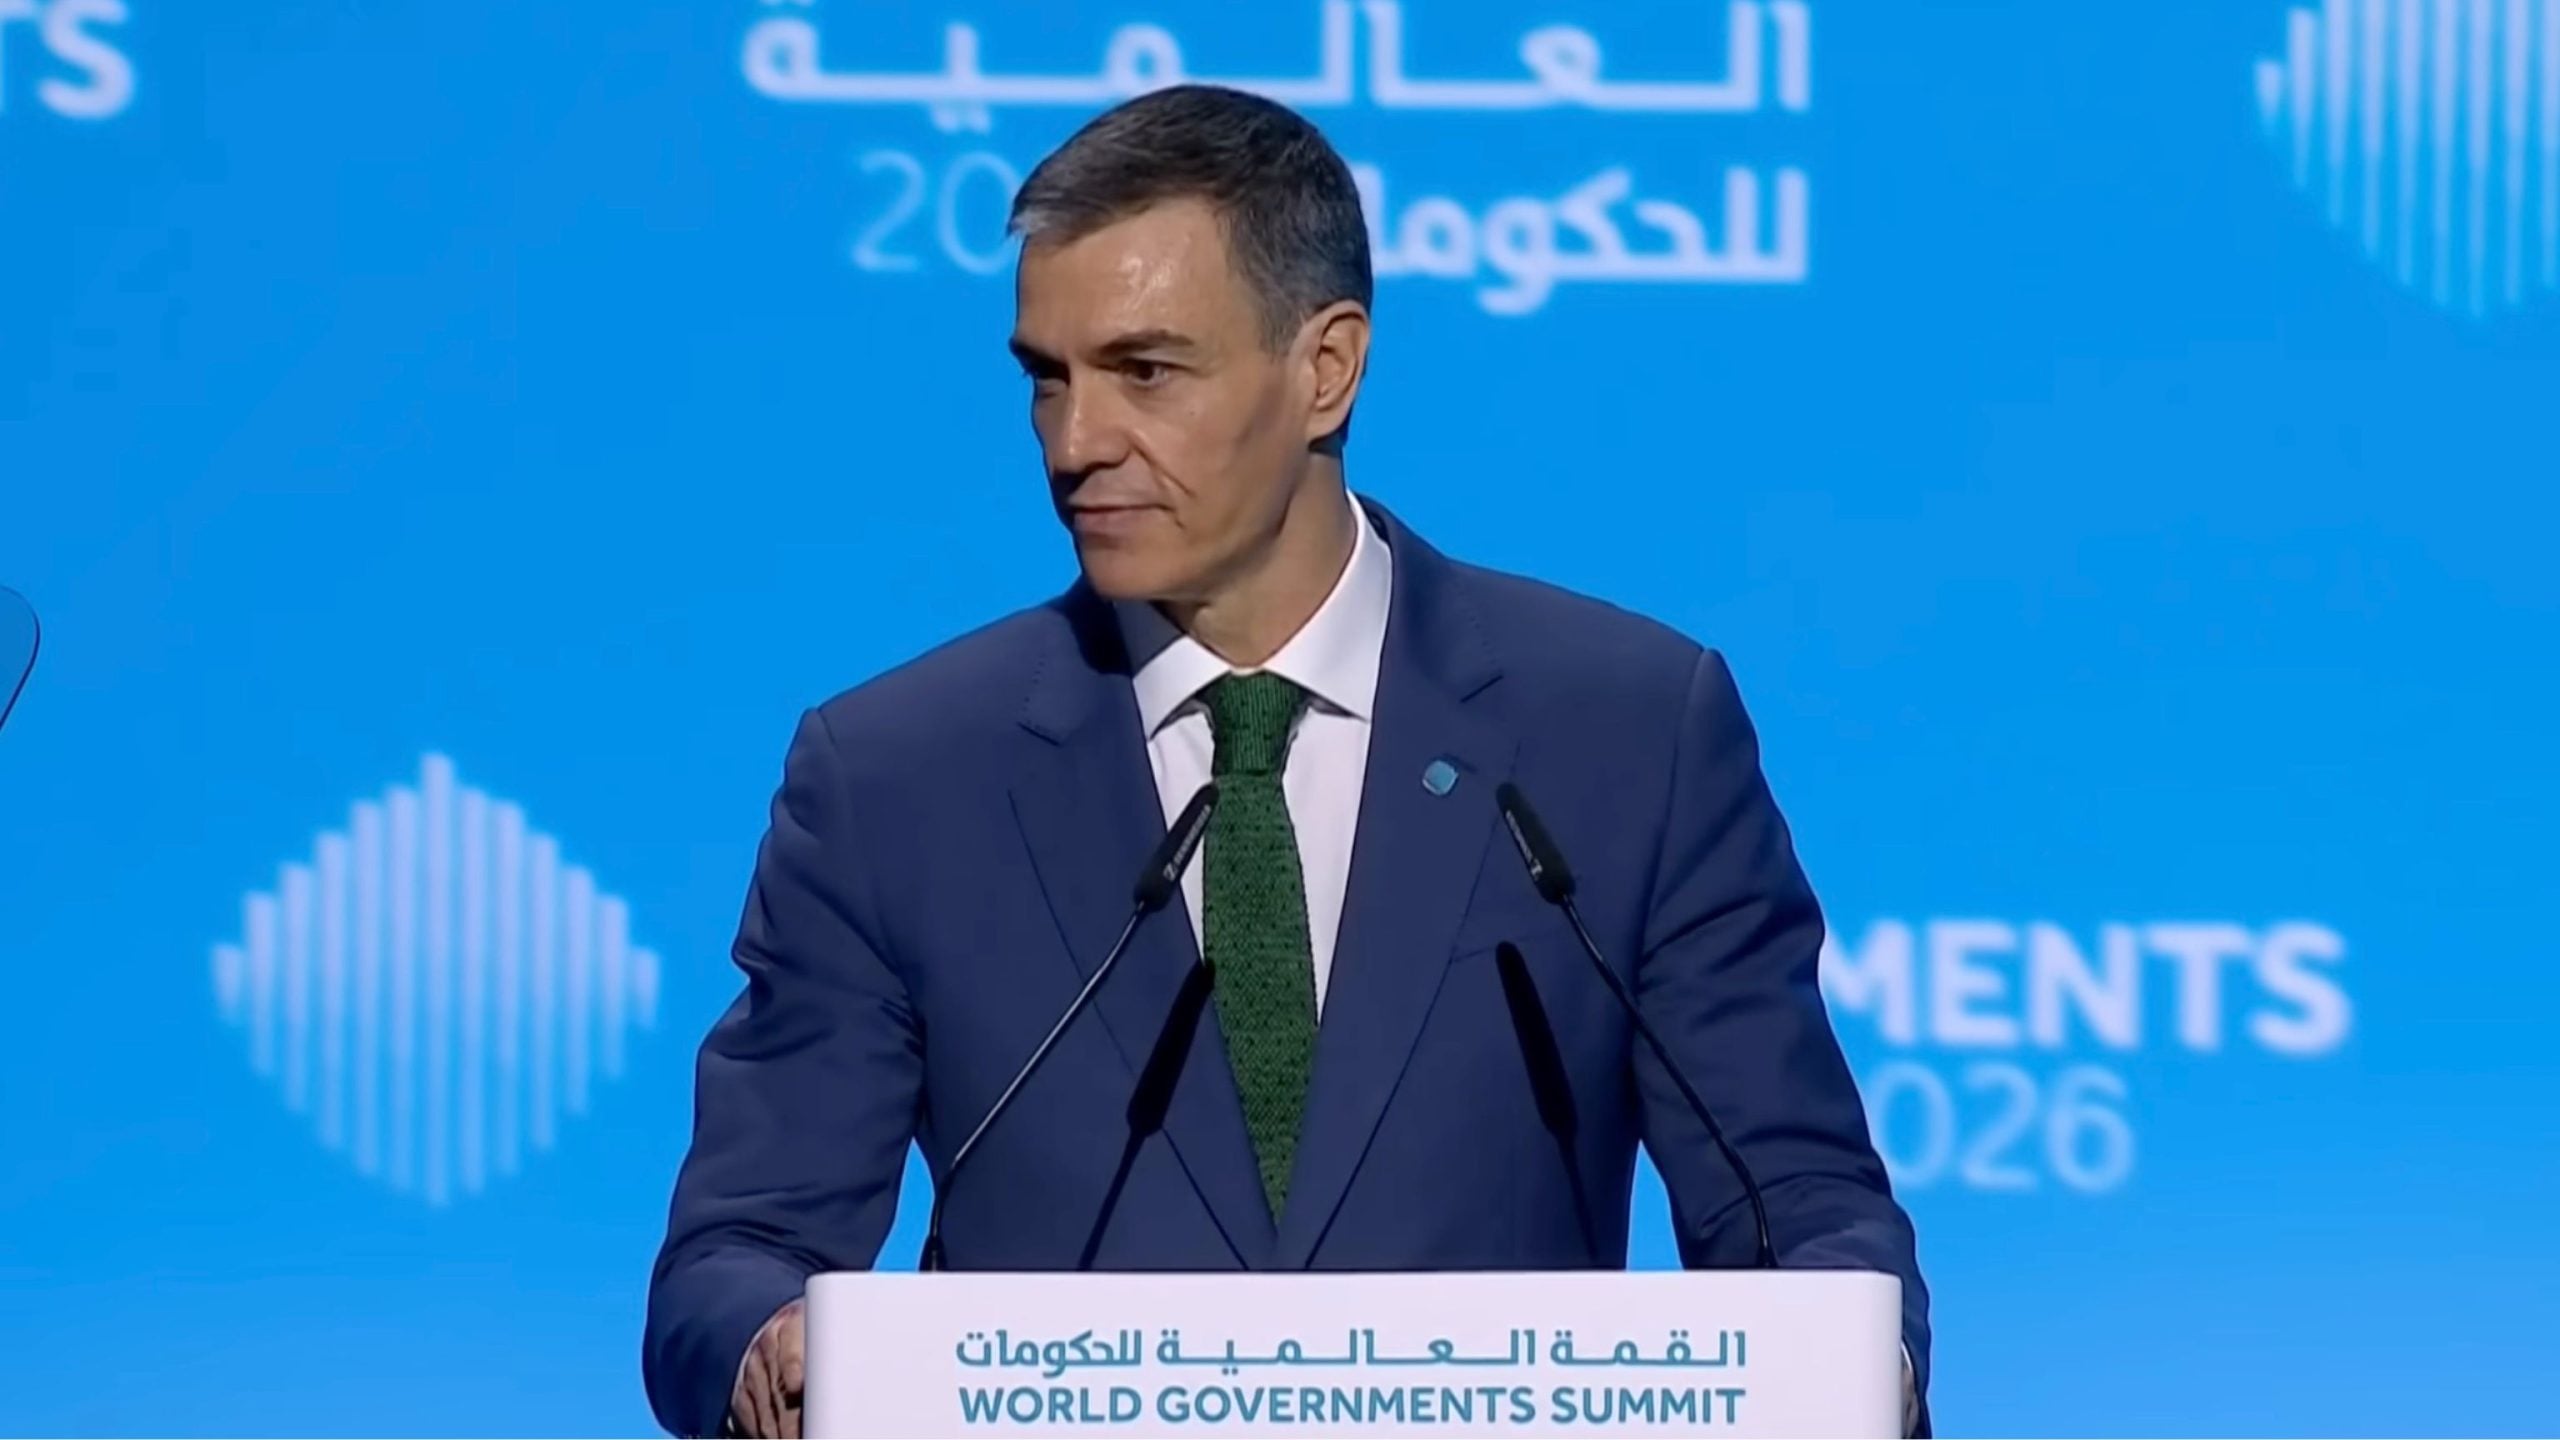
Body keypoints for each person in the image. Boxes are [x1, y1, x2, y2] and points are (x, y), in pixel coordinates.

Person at [643, 84, 1930, 1439]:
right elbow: (736, 1253)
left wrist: (1857, 1370)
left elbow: (1798, 1204)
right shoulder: (896, 778)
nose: (1076, 444)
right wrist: (768, 1347)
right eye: (1048, 379)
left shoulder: (1625, 732)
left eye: (1145, 372)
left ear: (1327, 369)